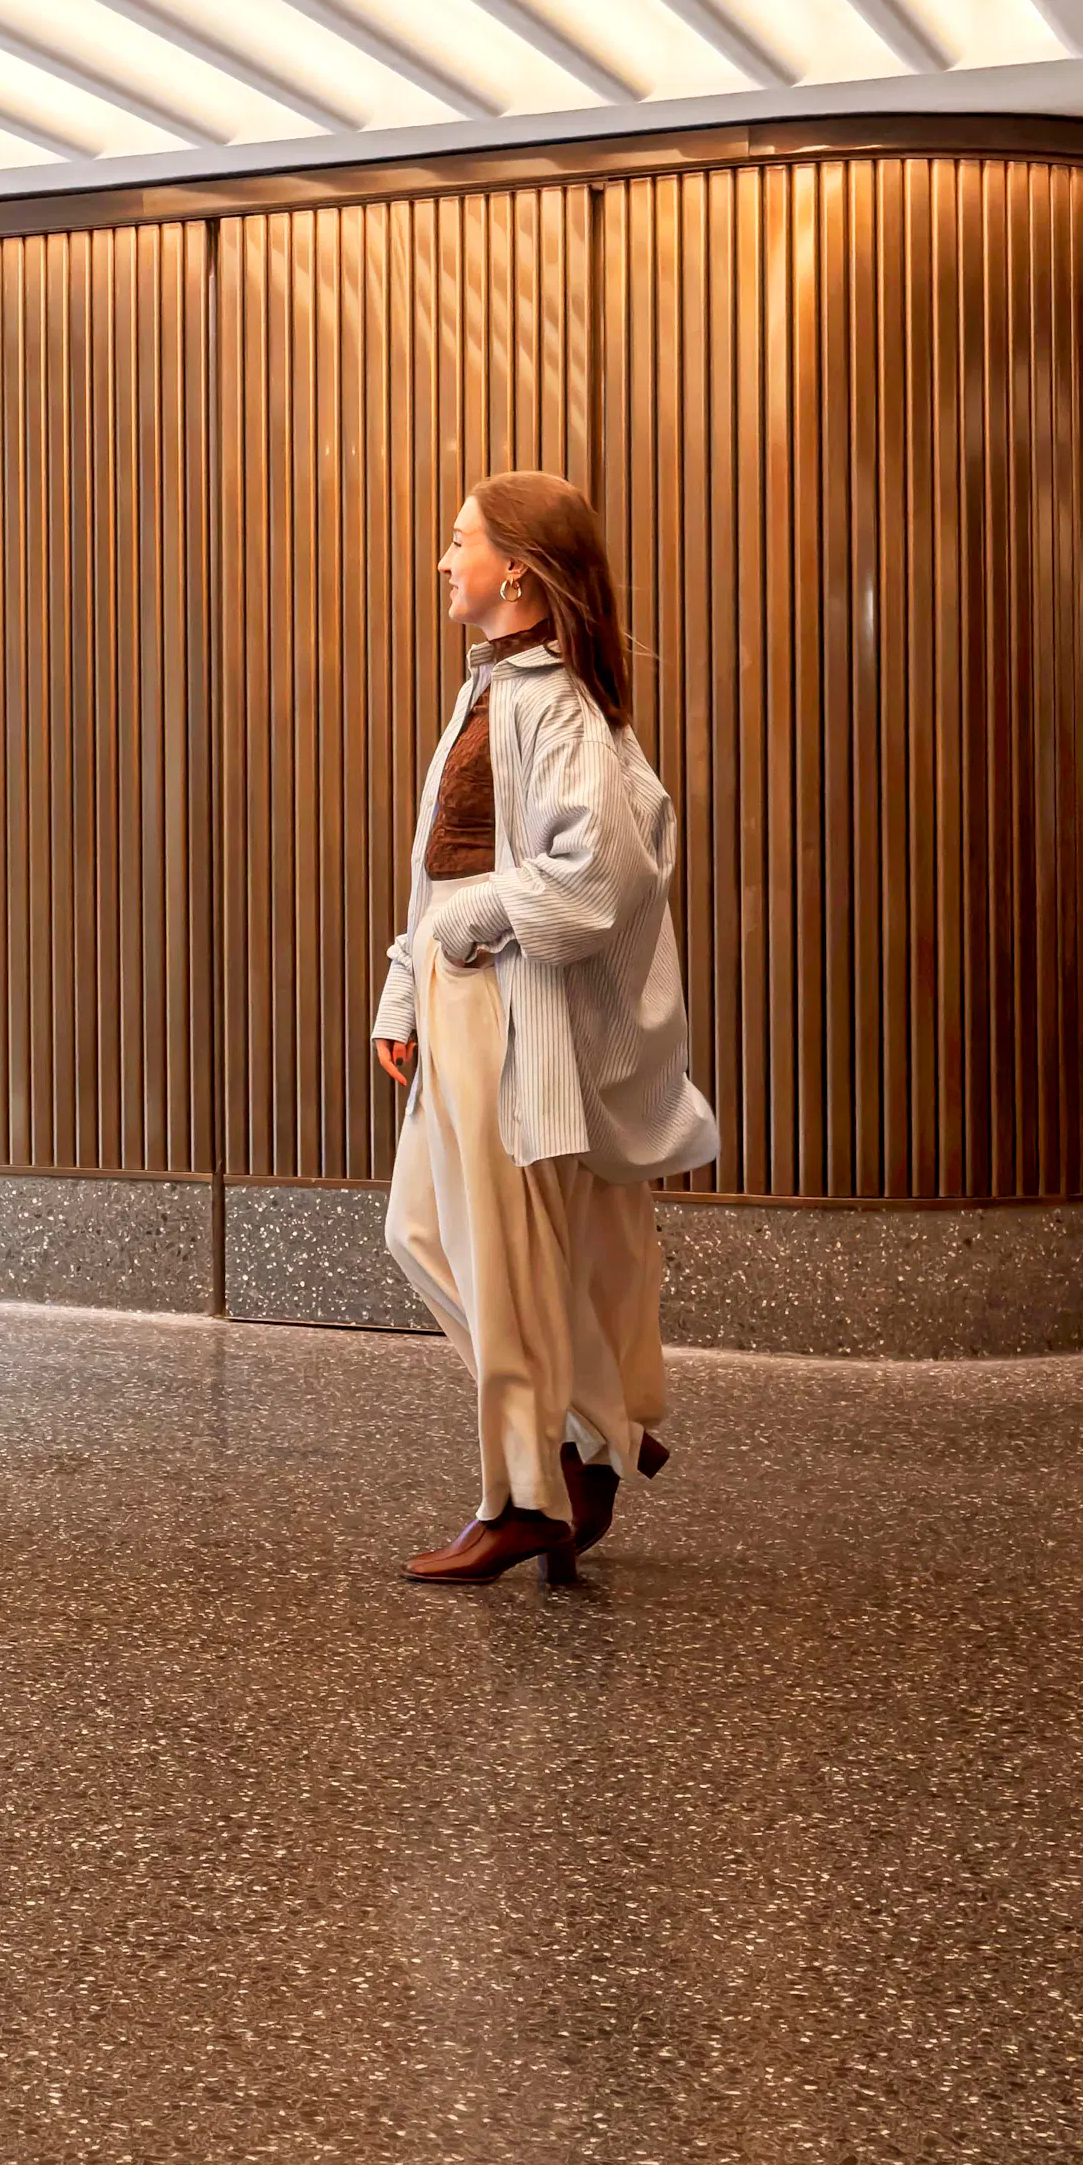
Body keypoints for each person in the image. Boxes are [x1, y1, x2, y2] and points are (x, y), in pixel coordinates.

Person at [375, 473, 714, 1583]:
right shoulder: (495, 688)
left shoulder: (552, 701)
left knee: (496, 1252)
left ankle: (531, 1490)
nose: (443, 559)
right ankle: (596, 1422)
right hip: (469, 992)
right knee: (429, 1233)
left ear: (515, 567)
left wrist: (460, 934)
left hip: (503, 1001)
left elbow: (594, 880)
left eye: (459, 539)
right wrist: (405, 987)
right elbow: (442, 859)